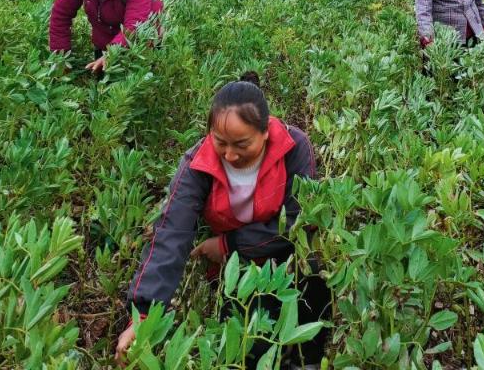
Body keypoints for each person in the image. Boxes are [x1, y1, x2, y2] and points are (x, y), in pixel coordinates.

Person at [116, 73, 330, 367]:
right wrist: (142, 316)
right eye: (220, 142)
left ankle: (308, 359)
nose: (230, 155)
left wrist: (229, 244)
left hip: (284, 255)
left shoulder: (293, 146)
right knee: (250, 344)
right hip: (233, 269)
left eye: (242, 144)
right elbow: (171, 233)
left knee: (315, 272)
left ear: (265, 131)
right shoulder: (197, 164)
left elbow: (298, 219)